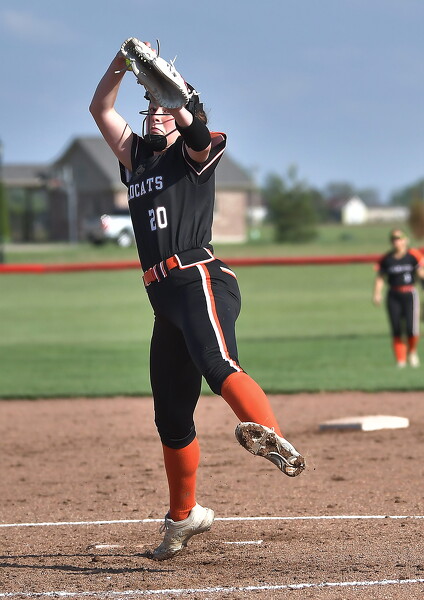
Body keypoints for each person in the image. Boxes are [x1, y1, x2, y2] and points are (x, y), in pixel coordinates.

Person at [89, 40, 305, 561]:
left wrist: (180, 103)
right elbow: (100, 107)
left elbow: (199, 135)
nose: (155, 113)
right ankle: (183, 517)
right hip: (163, 299)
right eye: (151, 106)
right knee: (170, 417)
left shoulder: (193, 154)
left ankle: (274, 437)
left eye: (164, 107)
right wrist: (121, 63)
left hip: (198, 277)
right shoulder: (138, 159)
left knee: (217, 364)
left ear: (183, 112)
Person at [373, 228, 424, 367]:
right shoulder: (387, 259)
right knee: (396, 328)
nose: (397, 242)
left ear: (406, 240)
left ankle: (412, 351)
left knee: (411, 328)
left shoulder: (413, 255)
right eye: (394, 239)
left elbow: (421, 272)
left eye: (399, 239)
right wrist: (377, 294)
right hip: (393, 294)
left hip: (410, 294)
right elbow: (380, 277)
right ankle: (400, 361)